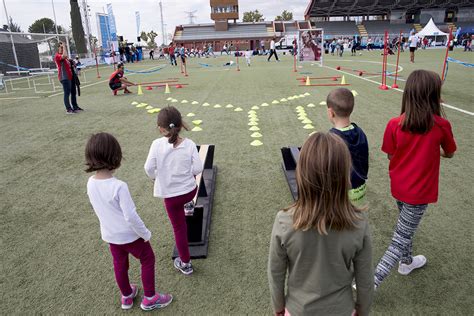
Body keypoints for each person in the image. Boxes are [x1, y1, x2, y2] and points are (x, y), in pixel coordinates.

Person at [268, 132, 373, 316]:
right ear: (344, 175)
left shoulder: (284, 221)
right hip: (342, 310)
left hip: (297, 310)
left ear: (301, 172)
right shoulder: (358, 223)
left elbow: (275, 273)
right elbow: (365, 279)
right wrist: (362, 310)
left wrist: (278, 307)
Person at [374, 70, 457, 289]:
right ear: (433, 96)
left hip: (399, 187)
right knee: (399, 238)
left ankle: (406, 262)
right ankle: (367, 286)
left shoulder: (394, 124)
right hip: (418, 194)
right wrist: (433, 151)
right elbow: (449, 152)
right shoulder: (441, 125)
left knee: (405, 229)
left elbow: (392, 154)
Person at [85, 132, 173, 311]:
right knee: (148, 258)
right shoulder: (119, 186)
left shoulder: (90, 183)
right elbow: (131, 216)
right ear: (115, 157)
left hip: (110, 235)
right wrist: (145, 233)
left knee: (119, 263)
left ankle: (126, 295)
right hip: (130, 236)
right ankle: (150, 298)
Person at [144, 106, 203, 275]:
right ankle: (189, 205)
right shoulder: (190, 144)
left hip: (171, 198)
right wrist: (186, 176)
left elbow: (148, 168)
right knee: (188, 194)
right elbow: (198, 168)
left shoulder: (156, 145)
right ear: (179, 124)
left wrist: (156, 177)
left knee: (179, 229)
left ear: (160, 128)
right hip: (189, 191)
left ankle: (186, 263)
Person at [326, 88, 369, 208]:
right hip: (360, 188)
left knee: (341, 222)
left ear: (331, 112)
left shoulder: (331, 138)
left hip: (340, 193)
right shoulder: (360, 132)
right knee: (356, 220)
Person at [54, 42, 83, 114]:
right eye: (61, 47)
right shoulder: (57, 56)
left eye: (63, 48)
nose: (62, 49)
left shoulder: (66, 58)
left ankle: (75, 106)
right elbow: (64, 55)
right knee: (67, 93)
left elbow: (69, 63)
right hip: (64, 77)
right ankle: (68, 109)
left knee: (73, 92)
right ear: (58, 48)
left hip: (70, 77)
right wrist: (64, 45)